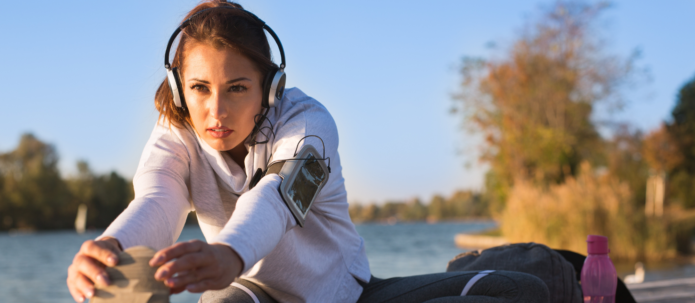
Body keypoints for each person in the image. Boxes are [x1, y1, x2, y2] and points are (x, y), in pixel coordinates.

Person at [66, 1, 550, 303]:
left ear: (270, 88)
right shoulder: (176, 131)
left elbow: (277, 197)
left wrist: (229, 252)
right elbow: (157, 199)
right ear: (179, 88)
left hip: (345, 293)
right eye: (198, 88)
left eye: (237, 88)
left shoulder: (309, 125)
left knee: (524, 290)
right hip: (250, 291)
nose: (216, 110)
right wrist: (111, 247)